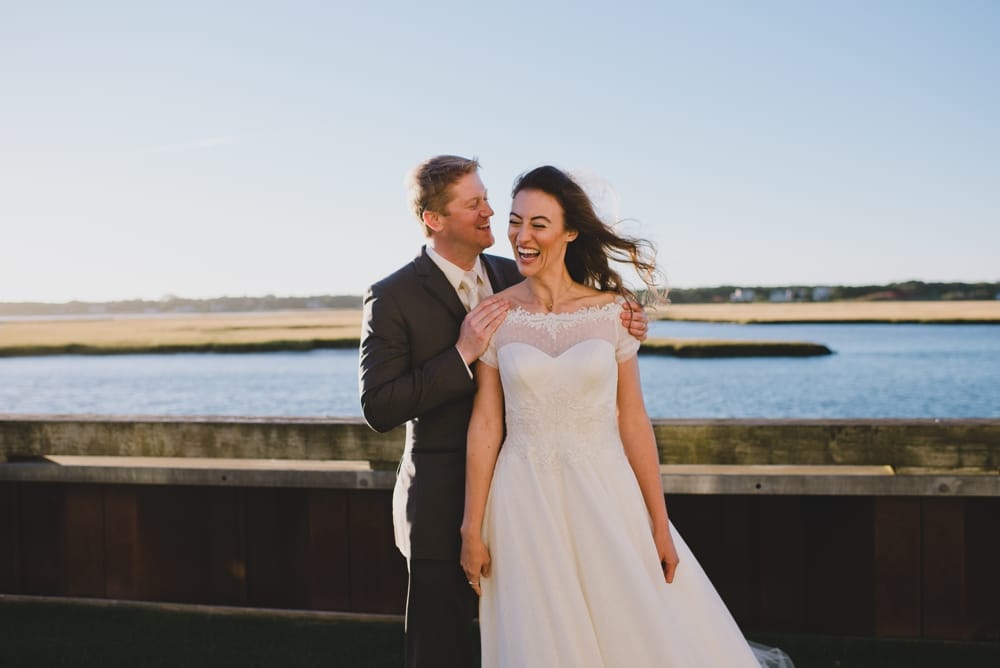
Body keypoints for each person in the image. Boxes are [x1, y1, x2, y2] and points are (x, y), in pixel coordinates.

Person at [460, 165, 794, 667]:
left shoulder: (614, 312)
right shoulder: (494, 316)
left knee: (634, 627)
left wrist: (659, 524)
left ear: (570, 232)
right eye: (515, 221)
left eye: (538, 224)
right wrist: (472, 527)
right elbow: (486, 424)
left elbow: (634, 419)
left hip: (606, 490)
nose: (521, 236)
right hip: (523, 497)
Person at [358, 155, 649, 668]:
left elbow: (581, 306)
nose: (492, 212)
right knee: (439, 651)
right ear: (435, 219)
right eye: (474, 204)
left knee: (535, 638)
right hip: (441, 506)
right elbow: (378, 407)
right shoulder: (392, 296)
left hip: (531, 494)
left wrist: (629, 315)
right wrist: (461, 353)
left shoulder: (515, 269)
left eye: (488, 197)